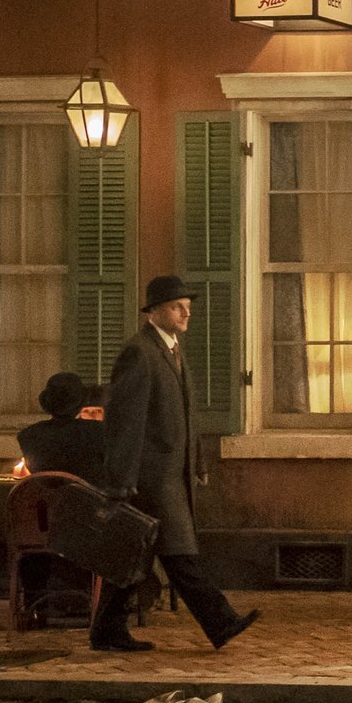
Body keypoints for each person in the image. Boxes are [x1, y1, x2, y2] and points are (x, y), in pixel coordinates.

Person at [89, 276, 259, 654]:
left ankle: (106, 632)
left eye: (187, 306)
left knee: (134, 555)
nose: (186, 313)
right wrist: (121, 481)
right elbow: (125, 422)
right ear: (154, 311)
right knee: (181, 554)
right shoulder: (140, 352)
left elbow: (185, 415)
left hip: (170, 474)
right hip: (151, 479)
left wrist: (196, 462)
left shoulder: (171, 349)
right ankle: (222, 622)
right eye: (176, 307)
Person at [17, 371, 107, 479]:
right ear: (80, 403)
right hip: (88, 495)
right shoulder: (98, 432)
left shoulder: (28, 435)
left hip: (44, 495)